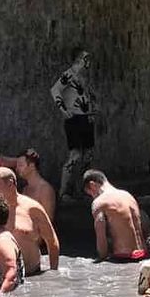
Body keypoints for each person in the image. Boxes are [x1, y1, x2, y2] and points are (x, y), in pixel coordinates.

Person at [0, 167, 59, 275]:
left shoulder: (32, 208)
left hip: (31, 277)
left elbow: (51, 241)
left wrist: (54, 273)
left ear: (10, 183)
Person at [51, 49, 96, 199]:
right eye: (85, 58)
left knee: (88, 155)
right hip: (74, 119)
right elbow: (55, 90)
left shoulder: (84, 77)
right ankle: (64, 191)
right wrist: (63, 110)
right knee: (75, 155)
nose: (88, 60)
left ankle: (81, 190)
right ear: (78, 59)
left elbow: (85, 96)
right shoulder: (69, 74)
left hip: (86, 119)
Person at [82, 169, 146, 261]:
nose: (93, 196)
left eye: (90, 193)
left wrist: (101, 258)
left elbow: (101, 235)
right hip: (143, 254)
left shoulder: (99, 202)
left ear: (92, 185)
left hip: (123, 257)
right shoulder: (128, 196)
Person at [15, 148, 57, 223]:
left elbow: (48, 220)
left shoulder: (45, 189)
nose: (17, 169)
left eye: (20, 165)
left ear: (31, 166)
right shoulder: (25, 188)